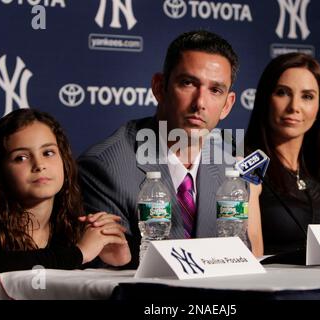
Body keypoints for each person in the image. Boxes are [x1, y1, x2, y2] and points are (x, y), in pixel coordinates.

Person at [78, 30, 255, 267]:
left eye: (215, 90)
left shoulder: (230, 168)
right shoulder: (105, 168)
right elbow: (113, 275)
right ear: (160, 87)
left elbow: (237, 262)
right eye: (188, 83)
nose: (200, 103)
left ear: (227, 105)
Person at [0, 109, 131, 292]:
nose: (39, 165)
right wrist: (79, 253)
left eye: (48, 153)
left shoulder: (75, 223)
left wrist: (120, 262)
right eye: (21, 158)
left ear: (63, 159)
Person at [245, 52, 320, 256]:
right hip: (274, 286)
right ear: (265, 99)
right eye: (282, 92)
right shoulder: (249, 167)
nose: (294, 107)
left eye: (307, 96)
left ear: (319, 107)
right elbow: (251, 257)